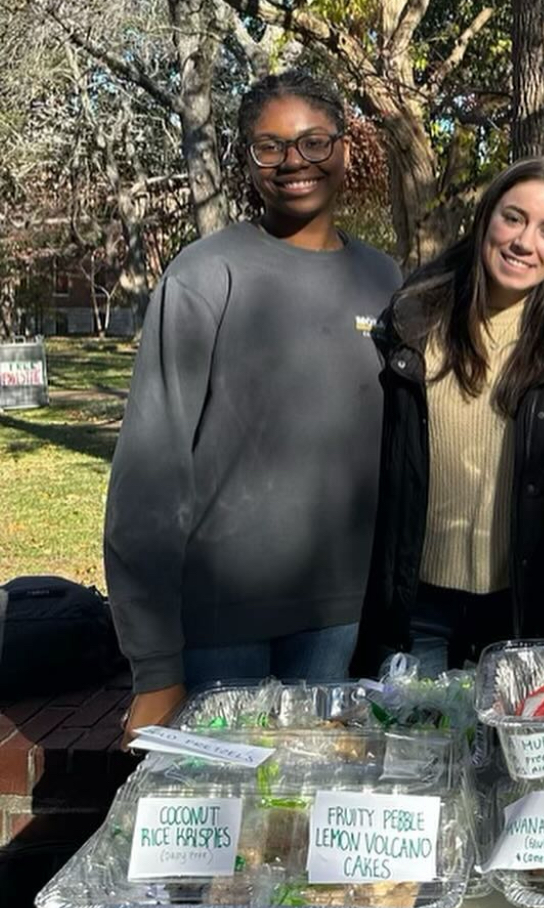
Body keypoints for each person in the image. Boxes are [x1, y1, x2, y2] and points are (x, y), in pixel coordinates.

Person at [105, 69, 402, 735]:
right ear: (248, 160)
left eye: (313, 142)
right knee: (226, 827)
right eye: (269, 146)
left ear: (345, 149)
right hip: (221, 626)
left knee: (307, 819)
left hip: (342, 624)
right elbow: (147, 478)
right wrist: (155, 666)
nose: (293, 161)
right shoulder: (205, 275)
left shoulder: (384, 280)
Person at [355, 158, 544, 675]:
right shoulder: (413, 320)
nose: (525, 242)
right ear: (485, 218)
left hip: (518, 611)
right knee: (417, 749)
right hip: (419, 608)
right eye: (513, 218)